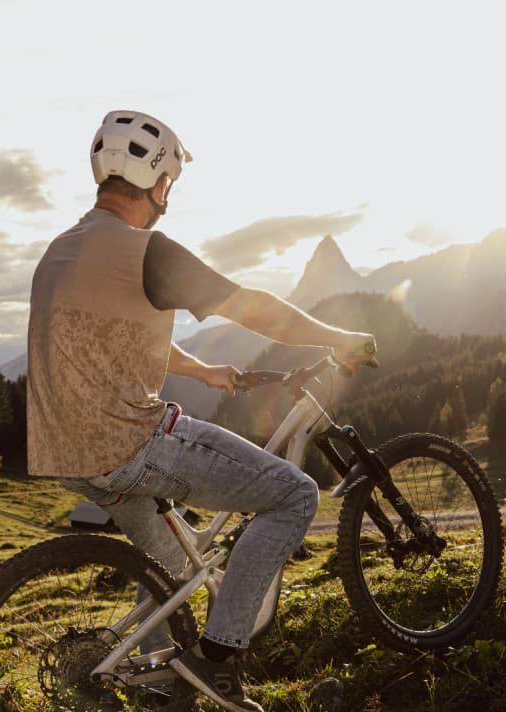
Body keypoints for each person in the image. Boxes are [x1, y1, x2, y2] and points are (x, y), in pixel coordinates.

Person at [26, 109, 376, 711]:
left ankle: (160, 688)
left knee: (168, 567)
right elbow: (254, 309)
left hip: (71, 457)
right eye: (171, 185)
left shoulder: (64, 251)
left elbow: (119, 341)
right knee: (294, 495)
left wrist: (204, 370)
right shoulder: (146, 251)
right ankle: (216, 663)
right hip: (132, 444)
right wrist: (335, 338)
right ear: (159, 183)